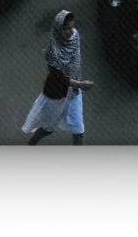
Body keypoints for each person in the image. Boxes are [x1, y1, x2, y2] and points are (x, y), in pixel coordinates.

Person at [22, 8, 92, 145]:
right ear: (59, 30)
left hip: (74, 94)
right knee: (49, 127)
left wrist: (77, 86)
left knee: (78, 129)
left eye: (71, 27)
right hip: (57, 94)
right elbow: (58, 77)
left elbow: (75, 60)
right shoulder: (53, 51)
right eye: (66, 29)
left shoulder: (74, 36)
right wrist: (80, 84)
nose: (70, 31)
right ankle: (32, 143)